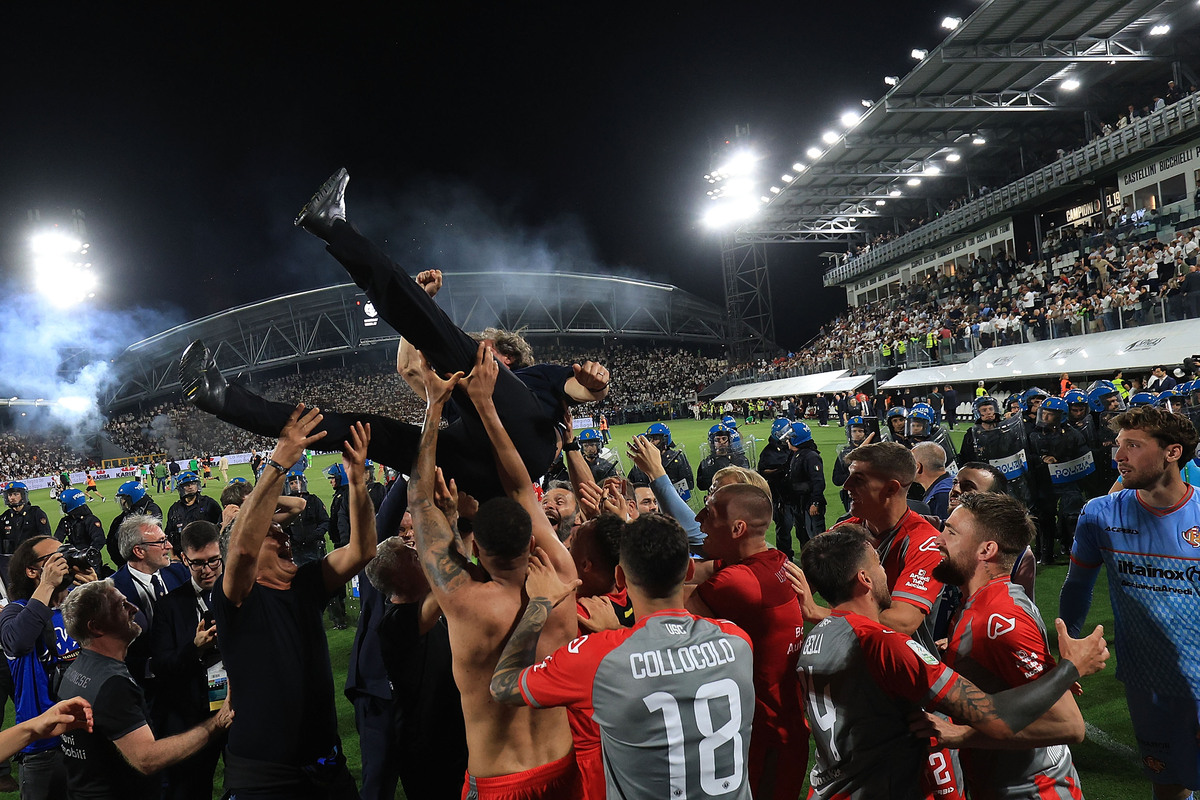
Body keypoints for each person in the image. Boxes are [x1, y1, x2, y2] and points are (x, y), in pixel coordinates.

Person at [181, 170, 611, 504]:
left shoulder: (538, 380)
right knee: (364, 432)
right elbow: (409, 365)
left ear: (509, 359)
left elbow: (577, 389)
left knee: (446, 340)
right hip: (478, 465)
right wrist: (419, 302)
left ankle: (333, 226)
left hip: (525, 444)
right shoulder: (457, 393)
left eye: (488, 346)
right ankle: (221, 398)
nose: (476, 344)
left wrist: (596, 383)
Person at [796, 527, 1109, 800]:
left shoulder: (815, 639)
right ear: (864, 579)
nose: (885, 573)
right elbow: (993, 716)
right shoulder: (884, 642)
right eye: (878, 566)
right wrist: (1071, 668)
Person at [408, 344, 584, 798]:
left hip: (497, 780)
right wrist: (486, 406)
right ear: (530, 540)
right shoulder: (562, 571)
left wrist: (433, 407)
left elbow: (420, 501)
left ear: (477, 551)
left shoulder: (463, 598)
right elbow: (522, 485)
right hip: (563, 768)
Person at [490, 512, 756, 800]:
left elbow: (503, 686)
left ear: (620, 576)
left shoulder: (601, 656)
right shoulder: (738, 641)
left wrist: (539, 603)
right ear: (690, 570)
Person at [213, 407, 375, 798]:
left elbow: (363, 549)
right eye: (274, 535)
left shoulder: (305, 583)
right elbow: (244, 550)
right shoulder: (236, 596)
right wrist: (278, 464)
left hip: (326, 764)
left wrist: (357, 483)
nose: (286, 539)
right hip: (266, 776)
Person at [1060, 405, 1200, 799]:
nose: (1119, 455)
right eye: (1118, 445)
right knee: (1168, 786)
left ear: (1173, 452)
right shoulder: (1100, 514)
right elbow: (1077, 586)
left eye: (1133, 445)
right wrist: (1068, 645)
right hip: (1146, 680)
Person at [928, 492, 1086, 798]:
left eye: (950, 532)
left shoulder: (998, 619)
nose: (939, 540)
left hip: (1034, 791)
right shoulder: (986, 603)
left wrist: (963, 735)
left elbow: (1068, 725)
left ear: (987, 549)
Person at [57, 580, 233, 800]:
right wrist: (217, 723)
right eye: (121, 606)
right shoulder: (112, 684)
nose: (134, 609)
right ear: (96, 626)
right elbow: (147, 759)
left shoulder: (79, 669)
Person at [688, 483, 807, 800]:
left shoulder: (738, 583)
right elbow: (702, 567)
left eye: (709, 514)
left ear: (738, 528)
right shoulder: (775, 560)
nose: (699, 520)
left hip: (763, 735)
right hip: (787, 725)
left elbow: (668, 609)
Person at [0, 536, 97, 799]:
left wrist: (99, 590)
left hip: (90, 735)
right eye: (54, 558)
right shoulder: (14, 613)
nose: (64, 562)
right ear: (32, 571)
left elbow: (132, 633)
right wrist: (46, 586)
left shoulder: (80, 605)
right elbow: (18, 642)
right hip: (43, 745)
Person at [148, 520, 227, 800]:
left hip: (238, 710)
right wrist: (194, 650)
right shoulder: (168, 606)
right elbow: (161, 666)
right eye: (197, 563)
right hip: (191, 717)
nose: (207, 570)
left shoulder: (242, 595)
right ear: (184, 559)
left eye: (213, 561)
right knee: (190, 790)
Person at [110, 516, 191, 690]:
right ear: (139, 551)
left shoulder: (180, 573)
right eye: (161, 542)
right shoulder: (112, 592)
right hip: (146, 689)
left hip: (188, 677)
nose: (169, 546)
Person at [1026, 397, 1091, 564]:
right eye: (1044, 414)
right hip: (1042, 482)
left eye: (1050, 415)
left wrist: (1062, 461)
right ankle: (1043, 552)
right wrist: (1041, 459)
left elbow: (1083, 457)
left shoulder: (1073, 435)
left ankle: (1071, 547)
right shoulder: (1033, 435)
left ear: (1060, 416)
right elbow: (1026, 457)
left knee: (1071, 515)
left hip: (1067, 480)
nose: (1045, 418)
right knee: (1043, 517)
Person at [626, 423, 693, 501]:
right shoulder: (644, 461)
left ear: (664, 439)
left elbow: (689, 485)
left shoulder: (677, 459)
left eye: (655, 439)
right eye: (650, 439)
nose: (651, 443)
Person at [785, 421, 825, 552]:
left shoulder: (810, 456)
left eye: (789, 436)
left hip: (809, 503)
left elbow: (818, 481)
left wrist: (815, 502)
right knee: (803, 535)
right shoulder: (798, 454)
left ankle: (820, 568)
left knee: (815, 537)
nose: (787, 439)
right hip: (800, 503)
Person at [106, 480, 164, 570]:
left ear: (132, 497)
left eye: (123, 498)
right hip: (125, 564)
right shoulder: (123, 516)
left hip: (145, 564)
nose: (122, 502)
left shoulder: (151, 510)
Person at [282, 469, 331, 568]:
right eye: (291, 483)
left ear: (302, 482)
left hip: (314, 547)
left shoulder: (314, 500)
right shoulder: (285, 504)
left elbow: (325, 521)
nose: (294, 485)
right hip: (295, 550)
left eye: (296, 482)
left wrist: (316, 534)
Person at [758, 417, 797, 540]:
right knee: (784, 528)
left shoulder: (793, 447)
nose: (788, 436)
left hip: (796, 494)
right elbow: (762, 473)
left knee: (802, 527)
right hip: (780, 497)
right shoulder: (768, 453)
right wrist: (781, 471)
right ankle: (785, 555)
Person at [323, 463, 352, 629]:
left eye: (333, 478)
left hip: (343, 544)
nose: (331, 481)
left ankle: (342, 615)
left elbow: (342, 523)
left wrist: (344, 544)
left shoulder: (344, 496)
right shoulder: (341, 495)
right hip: (341, 543)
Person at [0, 483, 50, 576]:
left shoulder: (36, 513)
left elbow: (46, 539)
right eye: (10, 495)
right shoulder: (4, 518)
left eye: (16, 494)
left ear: (23, 495)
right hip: (12, 564)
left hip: (33, 562)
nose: (12, 498)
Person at [165, 472, 221, 554]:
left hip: (206, 552)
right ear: (181, 488)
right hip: (182, 554)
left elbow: (221, 525)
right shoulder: (174, 509)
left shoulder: (209, 503)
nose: (190, 487)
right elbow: (169, 534)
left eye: (193, 484)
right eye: (187, 485)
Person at [54, 488, 107, 574]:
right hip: (72, 561)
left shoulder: (90, 520)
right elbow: (56, 540)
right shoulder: (65, 521)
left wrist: (86, 555)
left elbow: (99, 540)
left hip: (89, 563)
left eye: (63, 504)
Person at [696, 424, 750, 493]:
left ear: (729, 441)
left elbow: (748, 481)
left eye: (724, 439)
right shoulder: (707, 463)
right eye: (717, 439)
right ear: (712, 442)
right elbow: (701, 486)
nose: (721, 442)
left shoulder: (740, 459)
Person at [913, 442, 953, 521]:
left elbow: (945, 531)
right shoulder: (950, 484)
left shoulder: (941, 496)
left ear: (918, 467)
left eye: (909, 462)